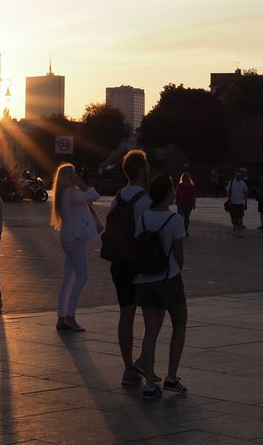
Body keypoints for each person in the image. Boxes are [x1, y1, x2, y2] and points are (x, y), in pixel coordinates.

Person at [135, 174, 188, 398]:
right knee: (179, 325)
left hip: (145, 279)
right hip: (169, 278)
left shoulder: (144, 218)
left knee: (150, 330)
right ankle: (171, 377)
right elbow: (179, 254)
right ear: (167, 194)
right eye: (173, 190)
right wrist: (177, 271)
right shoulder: (174, 220)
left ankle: (149, 383)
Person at [105, 150, 153, 386]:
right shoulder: (146, 200)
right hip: (140, 264)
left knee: (126, 314)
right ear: (142, 169)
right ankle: (144, 361)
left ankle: (128, 369)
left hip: (119, 263)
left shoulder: (118, 197)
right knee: (152, 314)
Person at [51, 162, 100, 331]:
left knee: (68, 279)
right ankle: (70, 316)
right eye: (74, 173)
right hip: (75, 238)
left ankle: (62, 317)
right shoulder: (72, 192)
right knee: (82, 276)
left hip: (69, 237)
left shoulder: (63, 193)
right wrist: (83, 184)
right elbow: (94, 196)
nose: (77, 175)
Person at [225, 168, 248, 236]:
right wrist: (229, 200)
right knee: (233, 217)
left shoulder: (243, 183)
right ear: (235, 175)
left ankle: (240, 230)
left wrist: (246, 203)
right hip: (232, 202)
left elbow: (246, 194)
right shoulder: (231, 182)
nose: (239, 176)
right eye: (237, 175)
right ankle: (235, 227)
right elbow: (228, 192)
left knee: (240, 217)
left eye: (240, 175)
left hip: (240, 203)